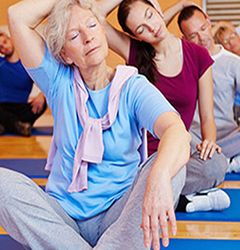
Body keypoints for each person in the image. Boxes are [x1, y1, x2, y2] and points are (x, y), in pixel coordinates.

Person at [0, 0, 191, 249]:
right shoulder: (58, 82)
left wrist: (159, 176)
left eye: (93, 25)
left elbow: (176, 130)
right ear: (65, 55)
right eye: (74, 35)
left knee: (172, 164)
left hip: (118, 218)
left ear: (103, 31)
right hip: (63, 218)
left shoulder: (133, 87)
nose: (88, 37)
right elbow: (16, 16)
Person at [98, 0, 229, 213]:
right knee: (125, 180)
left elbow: (207, 118)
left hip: (175, 150)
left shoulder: (198, 55)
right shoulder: (135, 52)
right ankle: (183, 200)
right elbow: (93, 15)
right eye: (141, 29)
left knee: (216, 165)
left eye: (150, 15)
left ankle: (167, 196)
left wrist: (209, 142)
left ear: (158, 9)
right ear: (137, 36)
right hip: (140, 158)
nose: (152, 28)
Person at [178, 6, 240, 174]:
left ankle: (226, 164)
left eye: (204, 29)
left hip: (228, 136)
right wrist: (180, 4)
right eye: (193, 36)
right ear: (184, 38)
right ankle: (221, 163)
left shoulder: (233, 62)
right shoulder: (182, 63)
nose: (202, 38)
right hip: (196, 138)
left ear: (208, 22)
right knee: (176, 138)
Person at [0, 31, 47, 137]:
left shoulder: (27, 65)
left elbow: (47, 84)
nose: (4, 47)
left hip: (21, 109)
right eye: (0, 47)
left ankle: (1, 125)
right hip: (2, 108)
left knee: (44, 102)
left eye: (5, 42)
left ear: (11, 40)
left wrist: (41, 96)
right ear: (0, 51)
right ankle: (18, 126)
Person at [212, 22, 240, 125]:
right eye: (226, 41)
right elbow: (205, 41)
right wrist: (219, 24)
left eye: (232, 36)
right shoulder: (225, 64)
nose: (231, 42)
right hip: (232, 113)